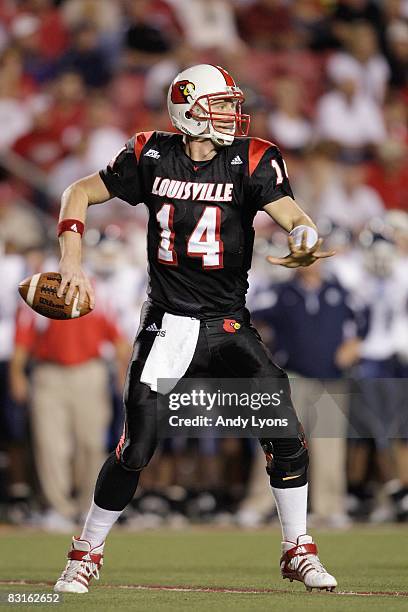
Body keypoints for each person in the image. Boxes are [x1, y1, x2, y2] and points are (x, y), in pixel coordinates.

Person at [52, 63, 337, 593]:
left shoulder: (252, 159)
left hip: (229, 324)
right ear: (188, 108)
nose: (232, 112)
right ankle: (85, 552)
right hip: (167, 324)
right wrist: (71, 262)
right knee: (137, 448)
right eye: (221, 103)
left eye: (232, 103)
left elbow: (295, 216)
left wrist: (304, 237)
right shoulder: (149, 154)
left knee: (286, 431)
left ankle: (298, 547)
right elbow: (77, 193)